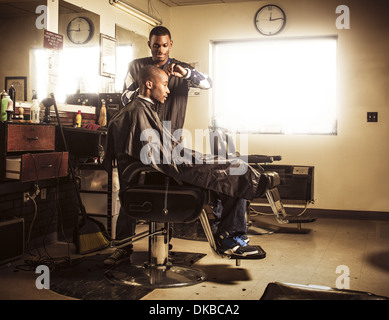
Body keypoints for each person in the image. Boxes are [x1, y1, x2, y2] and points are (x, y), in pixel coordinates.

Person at [104, 65, 267, 264]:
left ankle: (229, 235)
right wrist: (189, 161)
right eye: (164, 84)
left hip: (159, 170)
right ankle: (229, 238)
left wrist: (191, 157)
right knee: (234, 171)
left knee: (231, 167)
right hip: (154, 176)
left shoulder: (141, 109)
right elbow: (157, 157)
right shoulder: (137, 111)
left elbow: (159, 151)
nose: (168, 90)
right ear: (149, 84)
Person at [104, 26, 212, 266]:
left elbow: (208, 83)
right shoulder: (135, 67)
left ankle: (163, 242)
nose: (160, 50)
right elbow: (124, 98)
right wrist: (147, 80)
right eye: (155, 45)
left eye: (164, 45)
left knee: (166, 194)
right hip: (138, 139)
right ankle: (123, 246)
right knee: (130, 192)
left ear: (170, 44)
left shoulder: (183, 69)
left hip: (169, 141)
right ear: (149, 44)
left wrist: (185, 74)